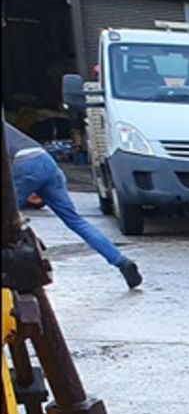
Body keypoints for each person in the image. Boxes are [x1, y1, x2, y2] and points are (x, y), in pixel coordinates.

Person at [6, 120, 141, 288]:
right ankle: (121, 261)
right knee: (75, 221)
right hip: (45, 161)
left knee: (5, 220)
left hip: (23, 166)